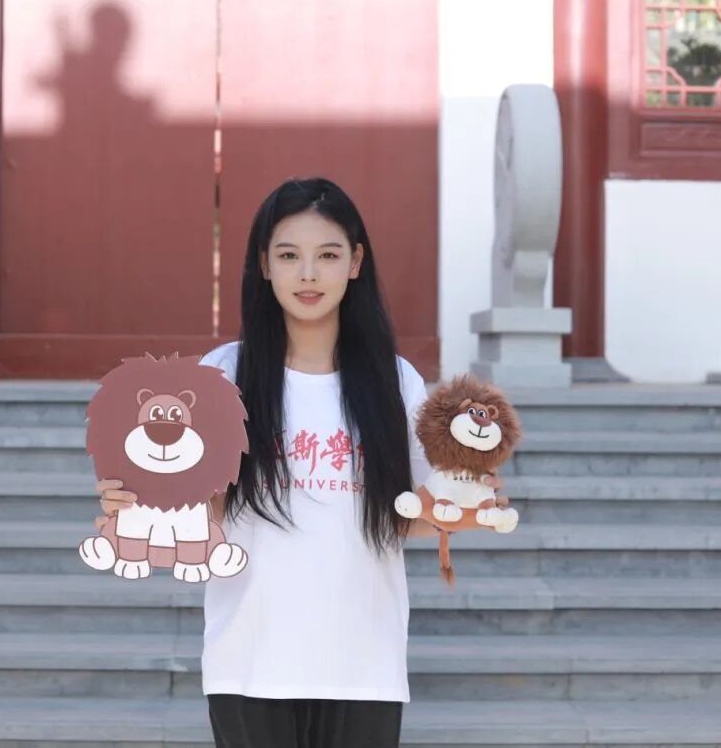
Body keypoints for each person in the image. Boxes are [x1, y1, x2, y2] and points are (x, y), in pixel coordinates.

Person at [94, 177, 507, 748]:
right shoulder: (223, 375)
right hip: (249, 659)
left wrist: (463, 509)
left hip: (363, 661)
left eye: (327, 256)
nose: (308, 274)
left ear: (355, 262)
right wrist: (144, 507)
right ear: (264, 265)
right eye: (289, 256)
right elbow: (203, 507)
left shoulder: (394, 381)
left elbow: (404, 513)